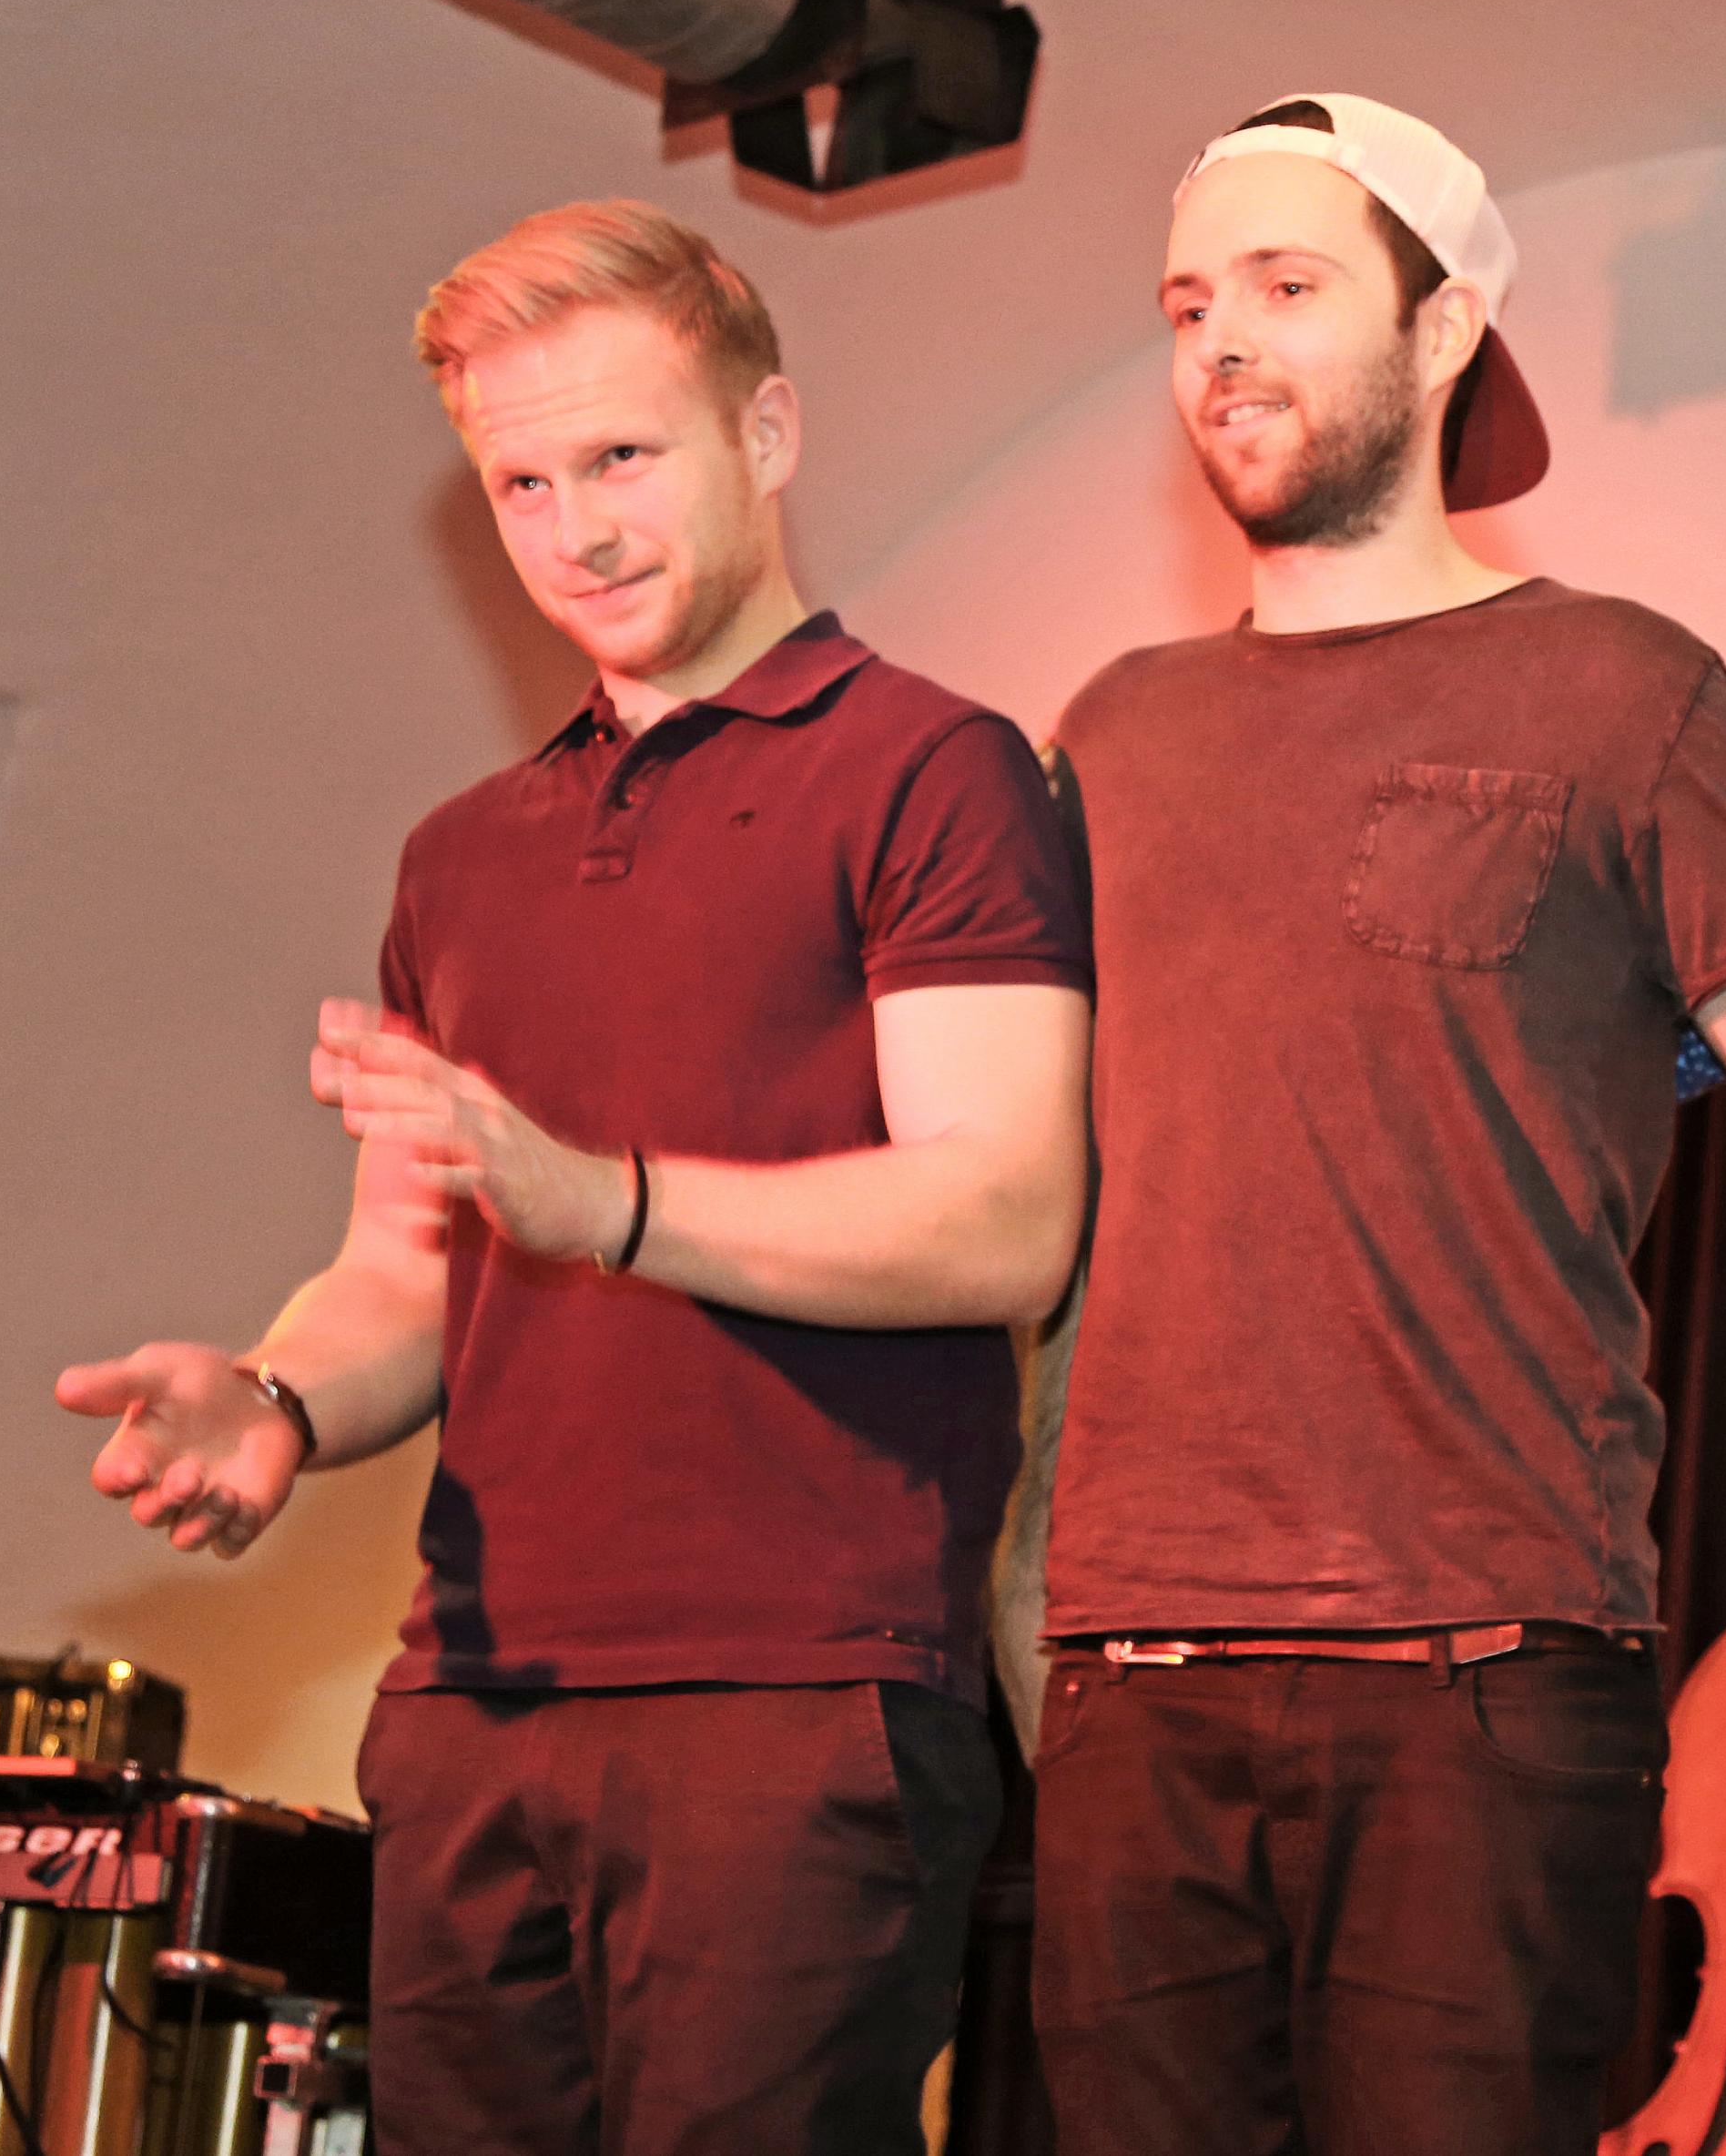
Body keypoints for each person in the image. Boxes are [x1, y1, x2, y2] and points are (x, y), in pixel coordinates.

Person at [56, 198, 1093, 2154]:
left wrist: (606, 1198)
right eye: (522, 484)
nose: (577, 532)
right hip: (474, 1698)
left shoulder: (932, 770)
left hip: (798, 1698)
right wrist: (276, 1397)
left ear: (765, 435)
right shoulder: (460, 856)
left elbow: (1006, 1212)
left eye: (621, 458)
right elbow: (402, 1274)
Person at [1026, 93, 1726, 2156]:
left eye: (1286, 285)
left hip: (1485, 1678)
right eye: (1188, 305)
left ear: (1444, 328)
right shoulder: (1109, 731)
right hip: (1128, 1680)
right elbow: (1018, 1206)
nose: (1222, 342)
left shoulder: (1623, 689)